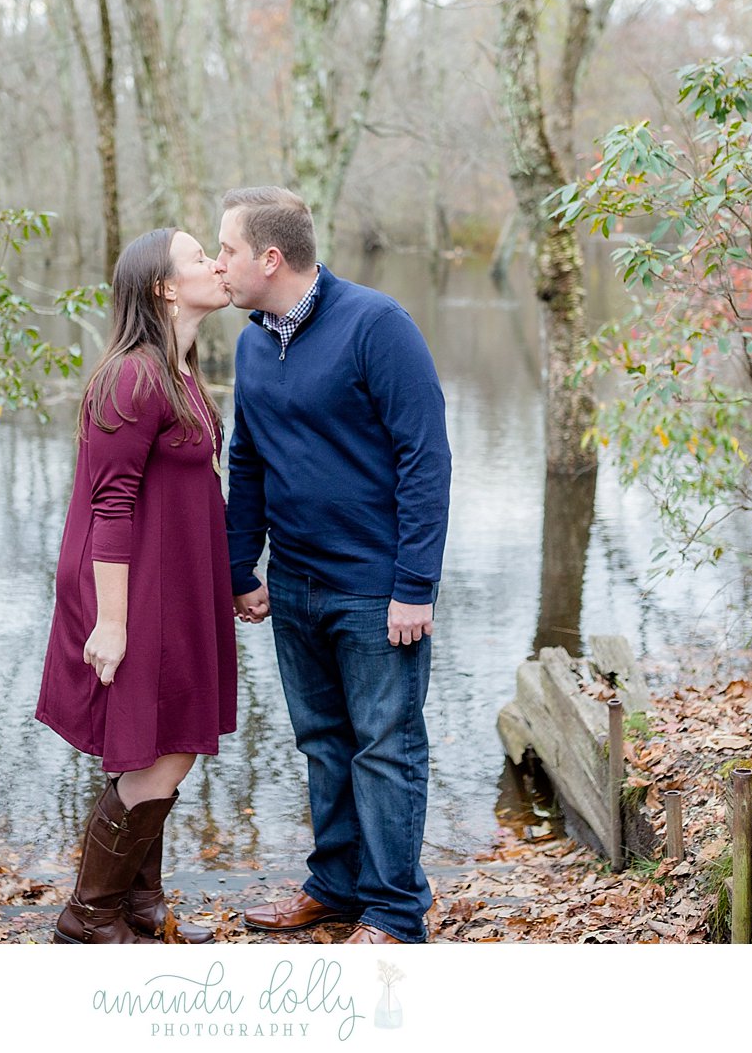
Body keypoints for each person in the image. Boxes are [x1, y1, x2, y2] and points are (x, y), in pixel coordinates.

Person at [218, 186, 452, 946]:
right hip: (294, 581)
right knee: (322, 740)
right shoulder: (254, 340)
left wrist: (413, 585)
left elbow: (425, 459)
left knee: (385, 745)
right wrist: (240, 565)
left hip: (374, 587)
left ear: (269, 257)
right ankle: (337, 888)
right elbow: (246, 457)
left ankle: (393, 912)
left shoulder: (376, 326)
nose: (218, 264)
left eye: (226, 250)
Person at [36, 227, 237, 944]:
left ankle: (137, 907)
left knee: (163, 740)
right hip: (131, 586)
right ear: (163, 287)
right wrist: (112, 622)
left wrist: (232, 580)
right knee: (167, 746)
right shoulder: (133, 376)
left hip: (177, 582)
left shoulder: (179, 372)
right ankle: (87, 918)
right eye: (197, 258)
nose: (216, 264)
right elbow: (110, 505)